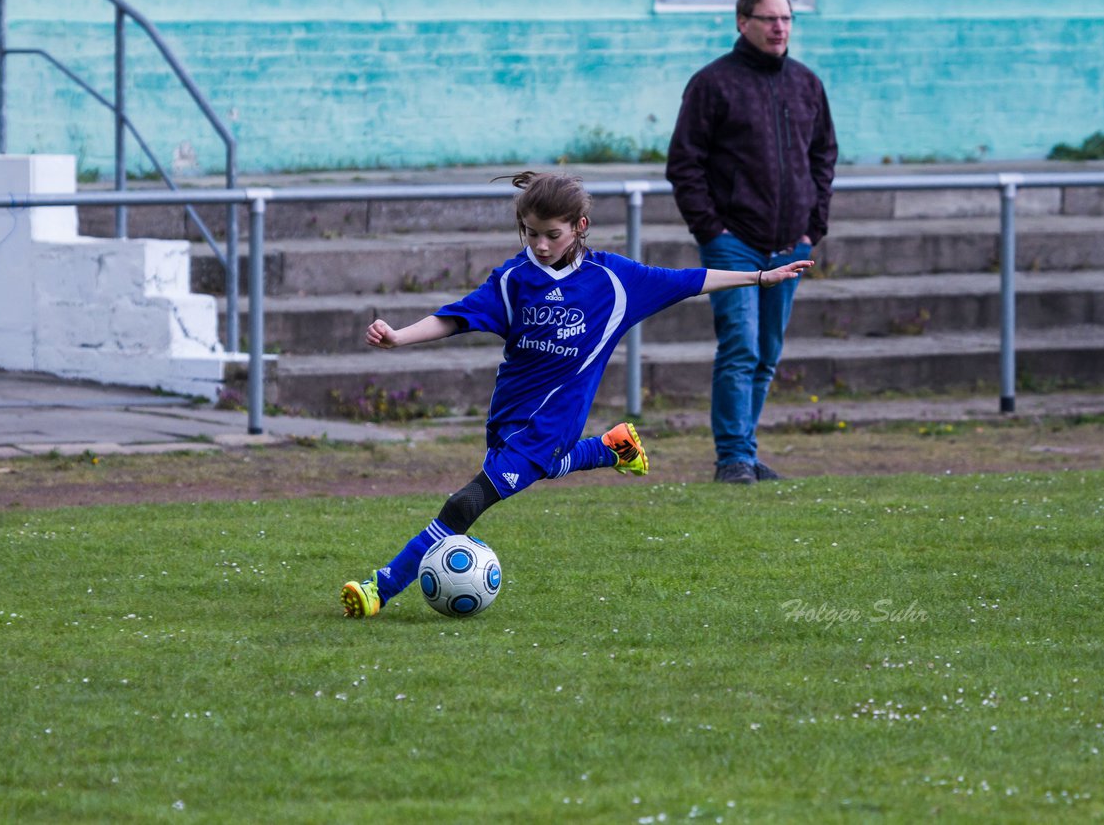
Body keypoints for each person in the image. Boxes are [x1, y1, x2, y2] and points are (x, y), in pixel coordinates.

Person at [341, 171, 812, 618]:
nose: (541, 245)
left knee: (465, 504)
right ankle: (612, 448)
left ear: (580, 227)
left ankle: (380, 587)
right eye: (531, 234)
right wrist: (399, 336)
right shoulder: (513, 279)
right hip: (510, 416)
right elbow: (457, 317)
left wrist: (760, 278)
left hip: (551, 426)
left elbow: (689, 280)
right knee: (535, 466)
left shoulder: (615, 282)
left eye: (552, 234)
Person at [665, 0, 838, 485]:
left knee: (766, 353)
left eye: (787, 18)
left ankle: (746, 449)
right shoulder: (712, 84)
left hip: (791, 245)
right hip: (733, 244)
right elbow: (685, 163)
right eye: (770, 19)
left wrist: (814, 227)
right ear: (744, 23)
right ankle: (733, 457)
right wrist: (711, 231)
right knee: (740, 346)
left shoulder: (807, 83)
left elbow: (823, 157)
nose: (780, 27)